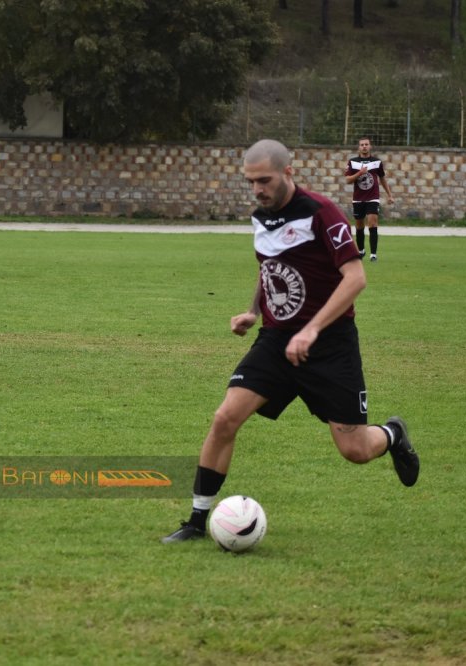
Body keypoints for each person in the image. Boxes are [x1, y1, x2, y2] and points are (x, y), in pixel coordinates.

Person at [162, 139, 418, 544]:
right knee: (225, 418)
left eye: (264, 180)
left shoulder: (323, 214)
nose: (258, 189)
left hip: (330, 345)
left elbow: (356, 278)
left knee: (354, 449)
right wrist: (253, 311)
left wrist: (312, 328)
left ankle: (393, 434)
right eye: (251, 182)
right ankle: (196, 520)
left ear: (288, 173)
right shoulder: (260, 217)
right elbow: (270, 268)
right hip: (277, 341)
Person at [343, 136, 394, 262]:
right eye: (362, 144)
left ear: (370, 146)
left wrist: (389, 195)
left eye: (366, 144)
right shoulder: (352, 162)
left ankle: (373, 254)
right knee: (359, 225)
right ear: (359, 147)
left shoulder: (377, 162)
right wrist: (359, 173)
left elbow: (382, 178)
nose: (364, 146)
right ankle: (361, 250)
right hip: (358, 199)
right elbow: (348, 180)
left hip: (373, 197)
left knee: (373, 222)